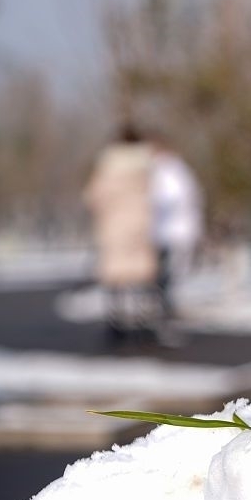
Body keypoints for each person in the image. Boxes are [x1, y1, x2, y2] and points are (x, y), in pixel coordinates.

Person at [84, 123, 157, 343]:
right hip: (140, 225)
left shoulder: (107, 167)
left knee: (116, 277)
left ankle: (116, 321)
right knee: (141, 276)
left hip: (114, 225)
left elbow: (92, 197)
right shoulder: (147, 165)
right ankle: (144, 320)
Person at [149, 136, 204, 333]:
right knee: (168, 271)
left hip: (169, 230)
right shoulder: (177, 169)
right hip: (171, 229)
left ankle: (166, 306)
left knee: (169, 271)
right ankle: (166, 304)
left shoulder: (166, 170)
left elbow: (167, 198)